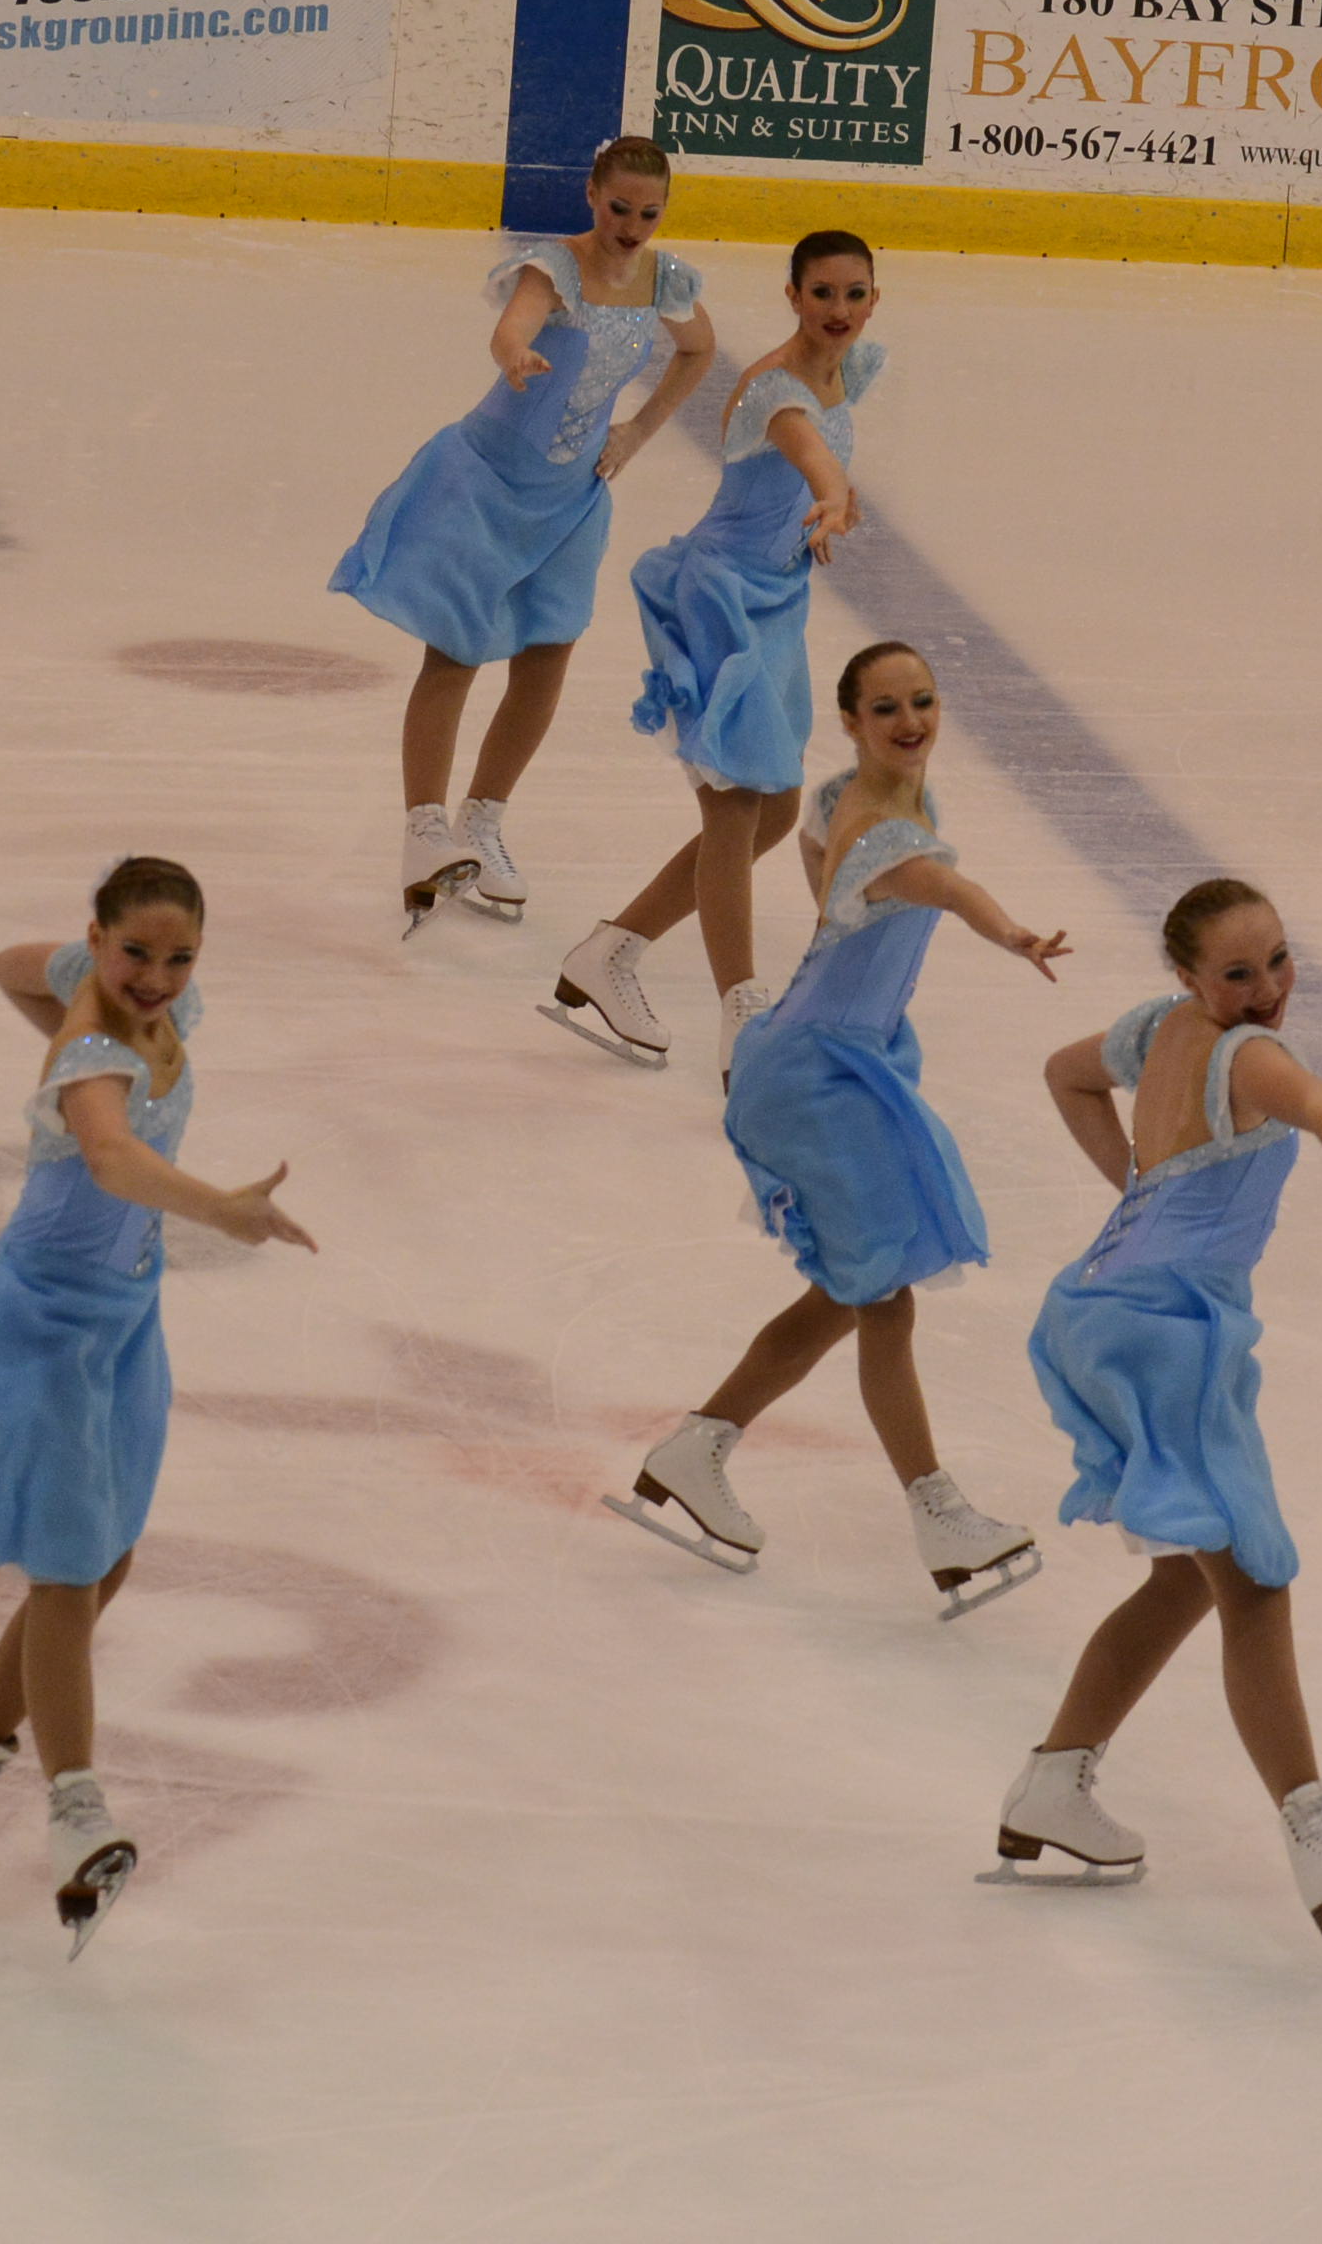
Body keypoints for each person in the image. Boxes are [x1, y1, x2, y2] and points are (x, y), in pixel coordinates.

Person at [0, 859, 317, 1956]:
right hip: (40, 1326)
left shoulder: (133, 1002)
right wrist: (222, 1210)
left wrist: (79, 975)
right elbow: (113, 1159)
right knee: (67, 1574)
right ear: (99, 935)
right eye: (133, 954)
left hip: (124, 1321)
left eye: (178, 957)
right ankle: (76, 1810)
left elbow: (6, 965)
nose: (156, 978)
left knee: (105, 1558)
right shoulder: (90, 1061)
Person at [988, 877, 1322, 1968]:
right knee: (1254, 1581)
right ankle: (1316, 1837)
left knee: (1188, 1576)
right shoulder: (1246, 1056)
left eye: (1277, 959)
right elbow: (1319, 1103)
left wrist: (1138, 1192)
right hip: (1163, 1336)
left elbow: (1065, 1074)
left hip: (1100, 1308)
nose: (1266, 988)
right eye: (1235, 973)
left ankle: (1053, 1784)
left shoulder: (1154, 1030)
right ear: (1188, 975)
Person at [613, 641, 1064, 1615]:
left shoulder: (846, 798)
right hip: (814, 1080)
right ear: (852, 721)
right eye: (885, 708)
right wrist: (1015, 934)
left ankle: (696, 1449)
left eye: (922, 701)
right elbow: (947, 889)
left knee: (842, 1294)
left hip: (836, 1061)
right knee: (883, 1298)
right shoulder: (891, 836)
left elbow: (820, 848)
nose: (910, 722)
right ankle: (937, 1514)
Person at [330, 138, 715, 934]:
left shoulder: (665, 280)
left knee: (546, 657)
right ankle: (424, 830)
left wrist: (637, 431)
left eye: (649, 213)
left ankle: (482, 820)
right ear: (591, 195)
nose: (632, 226)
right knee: (456, 652)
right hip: (485, 486)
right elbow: (512, 328)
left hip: (572, 499)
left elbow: (699, 349)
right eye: (619, 208)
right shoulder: (555, 269)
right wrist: (516, 356)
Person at [552, 230, 882, 1069]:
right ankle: (743, 1011)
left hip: (777, 607)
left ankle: (611, 950)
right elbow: (810, 452)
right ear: (792, 296)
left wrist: (833, 507)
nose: (838, 310)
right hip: (719, 601)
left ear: (873, 300)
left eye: (854, 293)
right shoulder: (775, 388)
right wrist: (834, 495)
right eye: (822, 293)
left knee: (773, 809)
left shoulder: (849, 370)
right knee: (734, 805)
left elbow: (826, 453)